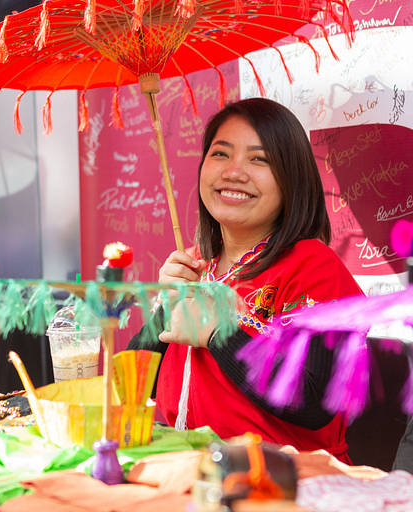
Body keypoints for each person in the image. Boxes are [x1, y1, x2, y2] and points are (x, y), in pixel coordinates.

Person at [129, 98, 363, 463]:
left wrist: (218, 333)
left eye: (260, 159)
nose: (234, 172)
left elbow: (315, 399)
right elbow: (130, 385)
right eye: (220, 154)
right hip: (195, 478)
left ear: (291, 179)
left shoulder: (314, 267)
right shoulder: (194, 265)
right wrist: (165, 308)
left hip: (289, 485)